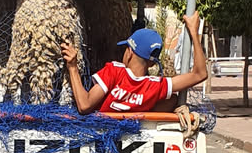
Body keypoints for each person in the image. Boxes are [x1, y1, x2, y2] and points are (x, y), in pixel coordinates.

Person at [59, 15, 209, 115]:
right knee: (172, 99)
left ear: (130, 52)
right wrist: (194, 33)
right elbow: (200, 74)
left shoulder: (114, 71)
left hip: (100, 137)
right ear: (151, 62)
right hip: (133, 136)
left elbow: (84, 105)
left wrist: (72, 66)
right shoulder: (155, 86)